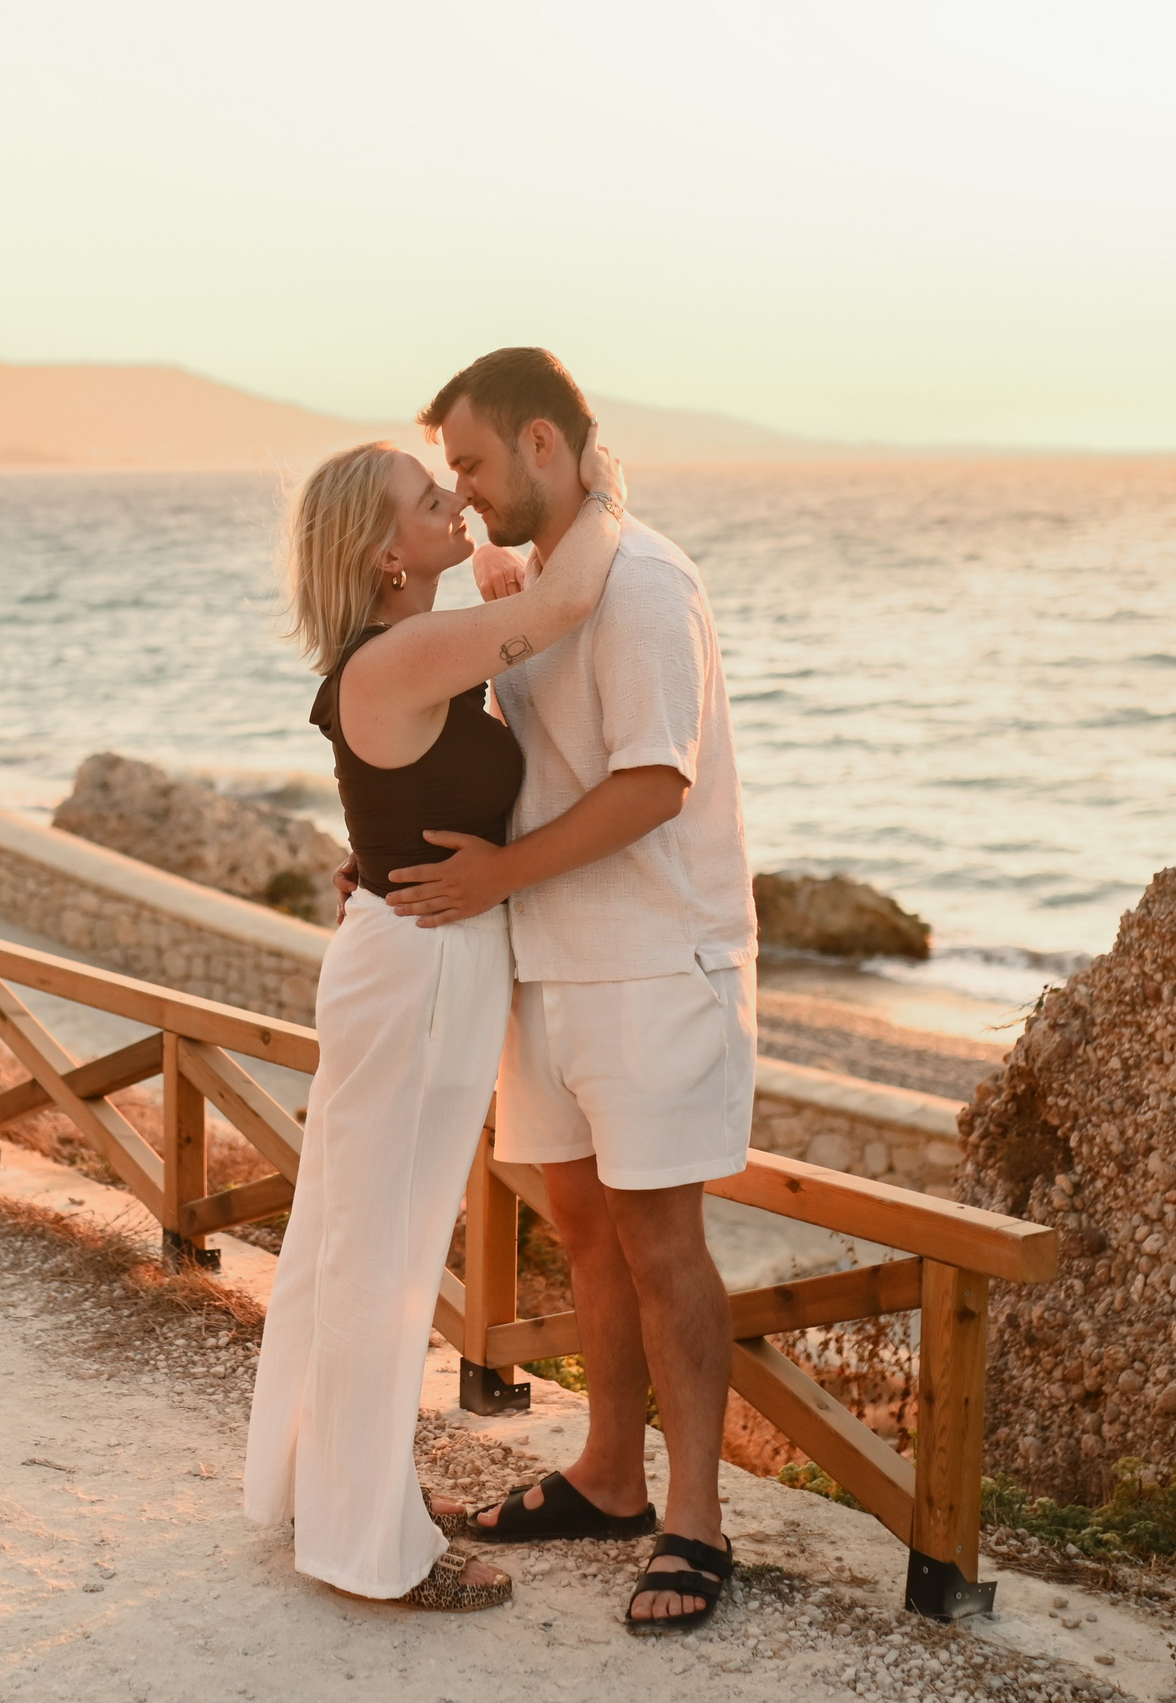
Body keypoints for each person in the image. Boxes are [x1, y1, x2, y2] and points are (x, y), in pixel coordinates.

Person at [392, 349, 756, 1634]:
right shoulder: (549, 580)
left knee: (665, 1244)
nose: (466, 491)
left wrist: (496, 875)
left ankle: (696, 1517)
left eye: (475, 464)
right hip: (546, 959)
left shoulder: (643, 583)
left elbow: (654, 781)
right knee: (587, 1234)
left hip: (657, 962)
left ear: (542, 443)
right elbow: (521, 762)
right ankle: (608, 1473)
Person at [243, 428, 629, 1612]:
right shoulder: (397, 658)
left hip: (413, 963)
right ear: (380, 550)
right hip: (415, 977)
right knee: (383, 1256)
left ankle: (314, 1488)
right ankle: (371, 1545)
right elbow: (565, 599)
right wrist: (601, 491)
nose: (454, 500)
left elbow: (513, 614)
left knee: (351, 1238)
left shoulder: (413, 648)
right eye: (428, 497)